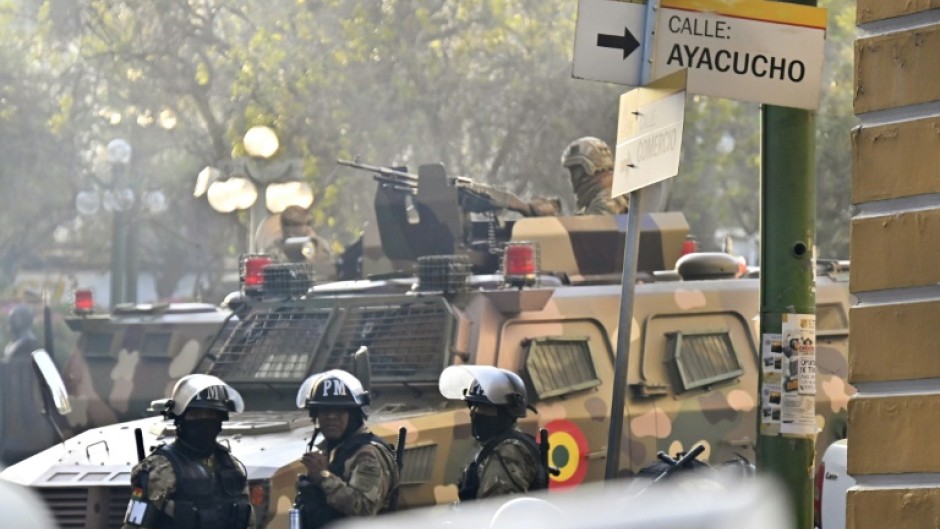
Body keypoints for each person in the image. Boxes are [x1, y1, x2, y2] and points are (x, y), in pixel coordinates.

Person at [122, 374, 253, 529]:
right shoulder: (160, 469)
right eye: (195, 414)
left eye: (211, 415)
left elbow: (248, 522)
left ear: (220, 420)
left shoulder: (231, 467)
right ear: (180, 420)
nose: (204, 421)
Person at [293, 369, 400, 528]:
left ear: (354, 416)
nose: (331, 417)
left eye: (339, 411)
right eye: (324, 411)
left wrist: (323, 477)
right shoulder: (332, 451)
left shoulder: (367, 456)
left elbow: (364, 510)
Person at [439, 365, 546, 501]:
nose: (475, 413)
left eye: (485, 408)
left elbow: (495, 511)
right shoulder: (500, 445)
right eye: (474, 406)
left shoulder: (507, 450)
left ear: (506, 413)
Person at [0, 304, 56, 464]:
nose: (10, 323)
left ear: (24, 320)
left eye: (14, 319)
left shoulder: (28, 344)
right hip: (11, 419)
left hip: (25, 421)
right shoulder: (13, 344)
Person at [560, 136, 630, 215]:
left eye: (575, 170)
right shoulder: (609, 191)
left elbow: (592, 226)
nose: (572, 177)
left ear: (589, 168)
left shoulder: (607, 198)